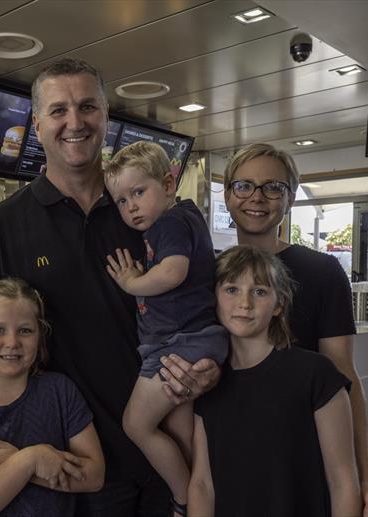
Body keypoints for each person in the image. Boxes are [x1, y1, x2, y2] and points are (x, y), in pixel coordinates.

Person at [0, 58, 220, 516]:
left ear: (106, 117)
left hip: (165, 454)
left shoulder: (146, 215)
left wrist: (209, 367)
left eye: (87, 107)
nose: (74, 122)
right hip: (68, 470)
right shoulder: (0, 227)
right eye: (58, 111)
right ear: (36, 124)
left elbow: (204, 304)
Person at [160, 142, 368, 516]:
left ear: (291, 197)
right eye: (244, 185)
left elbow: (344, 377)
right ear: (228, 194)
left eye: (273, 187)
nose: (257, 197)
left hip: (302, 460)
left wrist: (365, 478)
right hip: (228, 447)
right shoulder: (205, 272)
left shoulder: (322, 271)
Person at [103, 141, 229, 516]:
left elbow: (174, 272)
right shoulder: (183, 218)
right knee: (180, 430)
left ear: (169, 184)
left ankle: (184, 499)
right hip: (194, 339)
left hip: (176, 343)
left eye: (138, 192)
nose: (131, 207)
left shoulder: (171, 222)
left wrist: (131, 284)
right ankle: (204, 495)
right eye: (122, 201)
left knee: (136, 424)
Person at [188, 245, 362, 516]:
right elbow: (202, 484)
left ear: (279, 303)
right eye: (231, 289)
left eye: (259, 291)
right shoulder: (207, 382)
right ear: (214, 298)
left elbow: (343, 482)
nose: (244, 303)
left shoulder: (316, 374)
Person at [0, 278, 105, 517]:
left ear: (39, 335)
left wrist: (23, 465)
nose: (12, 342)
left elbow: (94, 476)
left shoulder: (59, 391)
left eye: (25, 331)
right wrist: (29, 460)